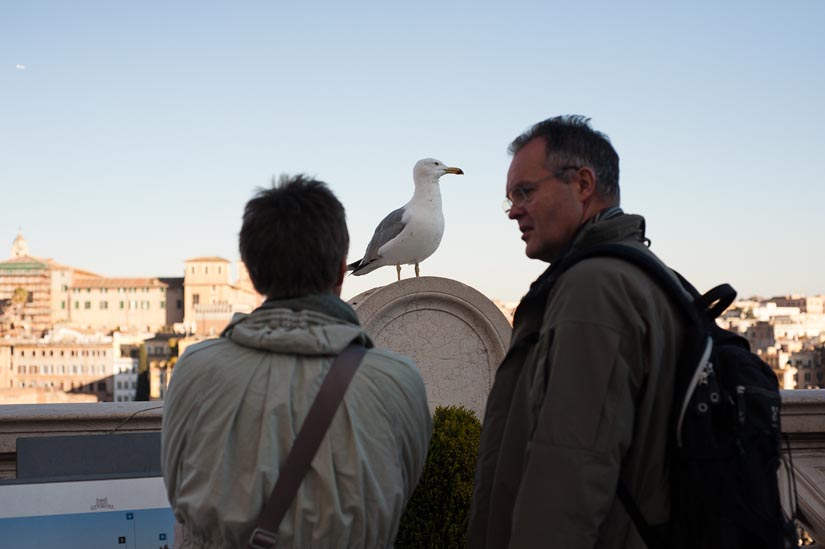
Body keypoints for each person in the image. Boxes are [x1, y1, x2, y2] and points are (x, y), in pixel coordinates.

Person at [161, 175, 432, 548]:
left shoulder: (195, 370)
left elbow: (178, 490)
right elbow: (401, 492)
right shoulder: (398, 380)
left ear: (254, 274)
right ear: (341, 270)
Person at [467, 116, 689, 548]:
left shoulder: (595, 288)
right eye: (510, 198)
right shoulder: (648, 276)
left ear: (583, 184)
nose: (513, 210)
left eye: (525, 192)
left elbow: (567, 476)